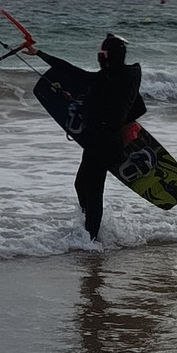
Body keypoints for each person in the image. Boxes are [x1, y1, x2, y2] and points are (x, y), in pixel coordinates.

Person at [25, 33, 147, 240]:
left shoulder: (103, 79)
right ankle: (89, 230)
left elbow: (73, 73)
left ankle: (91, 239)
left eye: (100, 53)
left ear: (107, 56)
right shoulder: (131, 76)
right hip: (105, 141)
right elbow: (138, 107)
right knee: (82, 185)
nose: (98, 57)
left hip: (101, 144)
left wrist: (39, 54)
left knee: (92, 191)